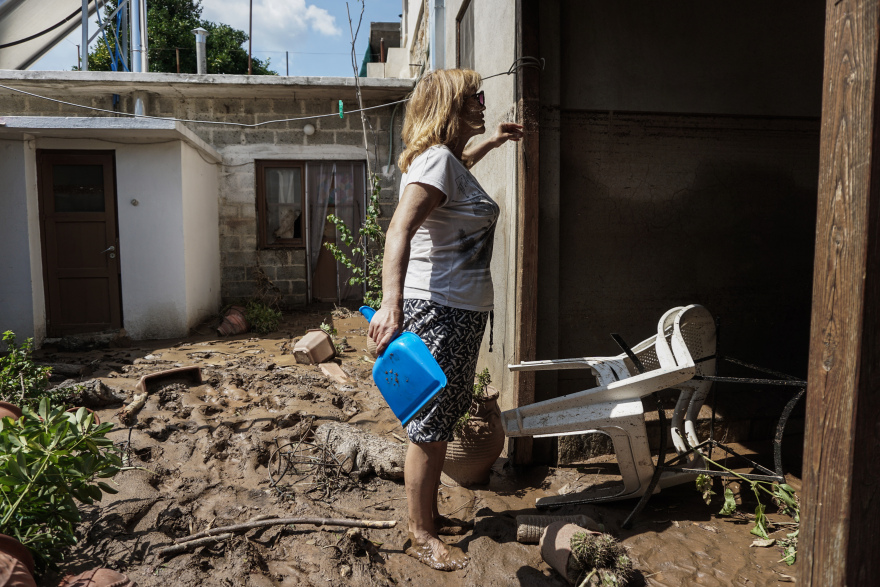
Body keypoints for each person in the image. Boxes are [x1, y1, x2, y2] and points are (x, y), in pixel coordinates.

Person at [367, 69, 523, 571]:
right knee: (430, 427)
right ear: (448, 106)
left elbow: (458, 171)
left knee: (442, 418)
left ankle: (428, 515)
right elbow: (398, 231)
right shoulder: (435, 161)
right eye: (472, 98)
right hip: (438, 310)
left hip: (459, 311)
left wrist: (493, 142)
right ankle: (420, 533)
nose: (482, 102)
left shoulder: (449, 162)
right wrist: (391, 304)